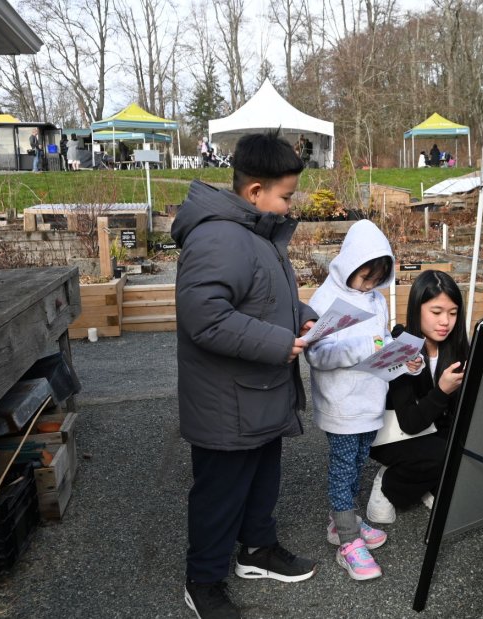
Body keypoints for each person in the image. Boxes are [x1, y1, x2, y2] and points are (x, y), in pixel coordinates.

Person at [171, 129, 318, 618]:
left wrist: (301, 315)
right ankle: (204, 579)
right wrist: (281, 343)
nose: (289, 205)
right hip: (227, 401)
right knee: (220, 493)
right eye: (286, 195)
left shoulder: (254, 232)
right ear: (255, 191)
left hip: (258, 389)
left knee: (261, 478)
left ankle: (257, 550)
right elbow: (206, 318)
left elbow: (262, 298)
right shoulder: (219, 236)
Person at [304, 220, 396, 581]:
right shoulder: (326, 299)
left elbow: (383, 340)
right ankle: (347, 540)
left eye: (377, 278)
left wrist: (402, 358)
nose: (371, 284)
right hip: (342, 404)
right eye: (365, 276)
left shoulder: (376, 299)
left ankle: (343, 519)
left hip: (370, 400)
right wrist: (362, 348)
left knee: (358, 462)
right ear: (350, 265)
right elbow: (317, 355)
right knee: (343, 470)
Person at [368, 270, 469, 524]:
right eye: (436, 312)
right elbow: (410, 423)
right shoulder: (400, 347)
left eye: (453, 313)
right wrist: (442, 391)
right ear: (417, 308)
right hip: (394, 436)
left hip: (435, 429)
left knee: (467, 448)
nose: (445, 321)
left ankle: (431, 481)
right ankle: (388, 483)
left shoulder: (458, 347)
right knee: (444, 454)